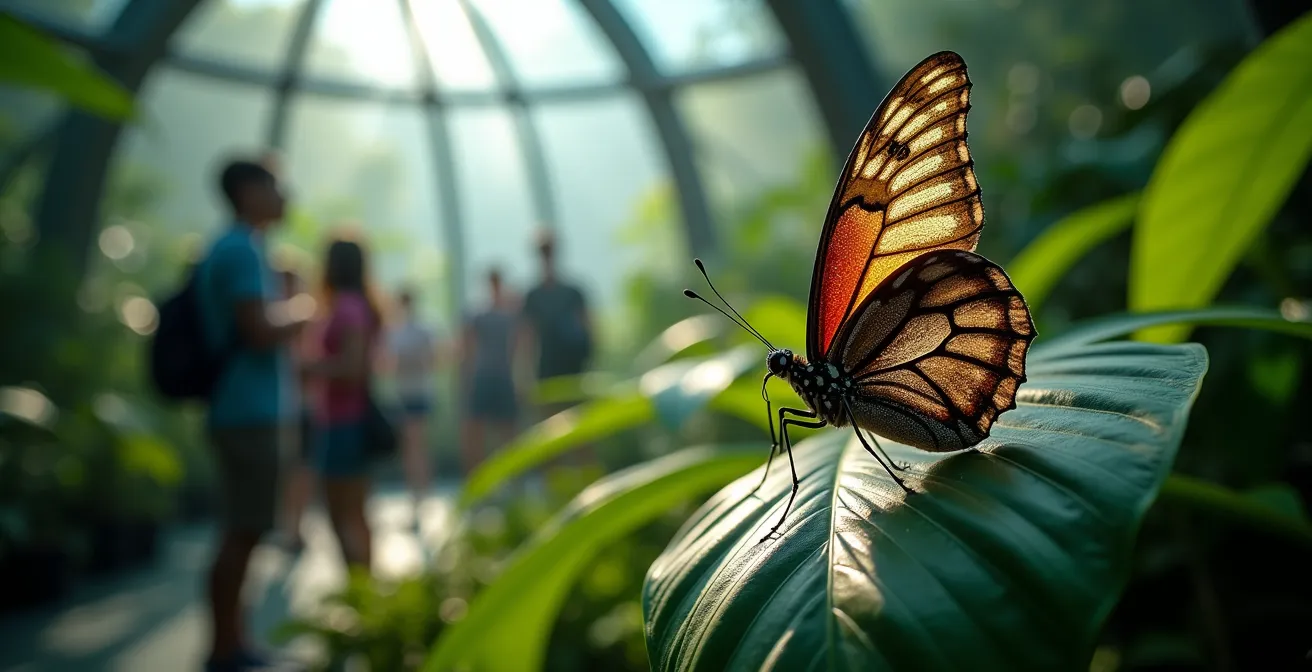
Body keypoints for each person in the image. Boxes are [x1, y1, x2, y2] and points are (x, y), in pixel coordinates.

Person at [197, 158, 306, 672]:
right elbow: (259, 331)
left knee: (242, 529)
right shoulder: (241, 249)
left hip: (244, 410)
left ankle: (231, 640)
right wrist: (302, 310)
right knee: (242, 530)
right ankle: (224, 646)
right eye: (274, 185)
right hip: (247, 412)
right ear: (247, 191)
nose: (285, 194)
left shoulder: (244, 249)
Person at [304, 238, 381, 572]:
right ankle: (362, 588)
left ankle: (360, 586)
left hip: (345, 421)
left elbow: (353, 367)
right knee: (353, 510)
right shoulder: (355, 304)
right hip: (343, 419)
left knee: (344, 511)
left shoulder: (348, 307)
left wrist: (309, 368)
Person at [519, 229, 594, 416]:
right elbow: (527, 337)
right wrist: (526, 374)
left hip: (572, 367)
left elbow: (588, 328)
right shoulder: (534, 296)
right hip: (549, 368)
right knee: (553, 424)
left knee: (580, 424)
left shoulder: (573, 291)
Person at [385, 287, 437, 519]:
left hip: (419, 391)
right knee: (409, 444)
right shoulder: (395, 331)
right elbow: (386, 361)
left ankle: (423, 490)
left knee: (417, 441)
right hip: (402, 392)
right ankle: (414, 491)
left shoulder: (423, 328)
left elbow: (434, 358)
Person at [276, 267, 318, 555]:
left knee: (300, 470)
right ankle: (288, 526)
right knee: (287, 471)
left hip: (302, 406)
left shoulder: (306, 319)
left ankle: (295, 526)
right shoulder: (272, 319)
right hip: (279, 409)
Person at [461, 268, 518, 474]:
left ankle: (509, 478)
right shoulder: (477, 312)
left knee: (507, 431)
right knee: (475, 430)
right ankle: (476, 479)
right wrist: (466, 377)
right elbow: (467, 346)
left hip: (503, 376)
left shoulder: (510, 311)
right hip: (482, 376)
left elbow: (517, 344)